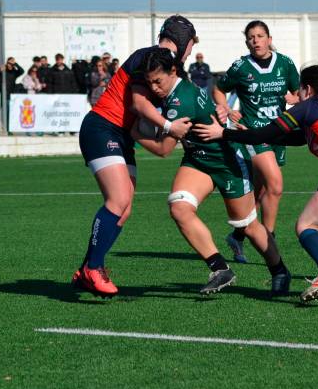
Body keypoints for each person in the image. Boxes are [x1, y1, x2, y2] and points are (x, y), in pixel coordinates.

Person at [195, 65, 318, 303]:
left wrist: (224, 133)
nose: (295, 94)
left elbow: (264, 136)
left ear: (306, 89)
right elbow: (296, 137)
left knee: (306, 225)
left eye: (298, 89)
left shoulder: (306, 106)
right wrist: (255, 132)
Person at [132, 48, 292, 295]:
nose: (153, 88)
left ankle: (279, 270)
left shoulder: (179, 102)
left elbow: (164, 148)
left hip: (227, 161)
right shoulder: (179, 88)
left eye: (157, 81)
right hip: (198, 160)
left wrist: (133, 133)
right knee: (179, 207)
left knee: (249, 226)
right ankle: (220, 268)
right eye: (149, 82)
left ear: (173, 72)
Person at [73, 15, 199, 298]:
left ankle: (85, 271)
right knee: (117, 201)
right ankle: (94, 268)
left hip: (121, 135)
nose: (191, 51)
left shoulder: (170, 66)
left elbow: (163, 138)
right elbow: (138, 102)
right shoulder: (149, 57)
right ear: (184, 42)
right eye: (191, 45)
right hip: (102, 128)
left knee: (124, 207)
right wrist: (168, 126)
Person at [213, 20, 300, 263]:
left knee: (261, 193)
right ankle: (268, 241)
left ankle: (238, 236)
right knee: (276, 185)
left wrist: (296, 100)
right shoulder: (241, 66)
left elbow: (297, 93)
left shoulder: (285, 63)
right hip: (253, 133)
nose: (256, 40)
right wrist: (227, 110)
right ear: (247, 42)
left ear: (269, 39)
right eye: (251, 37)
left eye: (260, 35)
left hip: (279, 132)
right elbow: (219, 89)